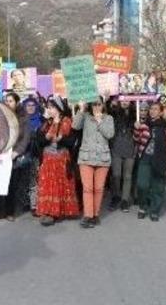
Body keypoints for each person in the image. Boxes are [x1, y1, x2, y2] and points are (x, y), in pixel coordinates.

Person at [35, 96, 79, 226]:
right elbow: (39, 142)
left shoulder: (68, 121)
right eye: (49, 107)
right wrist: (47, 137)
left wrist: (61, 140)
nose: (50, 110)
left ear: (59, 109)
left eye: (53, 107)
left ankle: (58, 212)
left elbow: (72, 142)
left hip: (61, 159)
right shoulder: (46, 123)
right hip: (48, 159)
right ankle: (48, 211)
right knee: (48, 185)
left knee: (60, 184)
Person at [73, 98, 115, 228]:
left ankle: (95, 215)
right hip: (86, 157)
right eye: (94, 105)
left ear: (103, 105)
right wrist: (81, 109)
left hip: (102, 159)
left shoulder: (108, 118)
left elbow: (110, 134)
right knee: (87, 188)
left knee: (98, 188)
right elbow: (75, 126)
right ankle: (88, 215)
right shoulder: (85, 116)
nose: (96, 107)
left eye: (99, 104)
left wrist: (100, 121)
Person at [134, 102, 166, 222]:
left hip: (160, 159)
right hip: (145, 158)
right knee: (142, 184)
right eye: (151, 109)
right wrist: (136, 129)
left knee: (158, 186)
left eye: (155, 109)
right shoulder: (144, 125)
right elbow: (136, 140)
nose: (152, 111)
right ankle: (143, 207)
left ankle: (154, 210)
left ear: (161, 112)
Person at [0, 92, 33, 220]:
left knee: (11, 184)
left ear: (16, 102)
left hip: (14, 156)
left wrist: (16, 152)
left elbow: (26, 138)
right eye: (6, 101)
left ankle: (10, 212)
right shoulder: (0, 116)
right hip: (1, 154)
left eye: (10, 101)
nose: (8, 103)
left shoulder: (23, 118)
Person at [109, 100, 136, 212]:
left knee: (127, 176)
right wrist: (107, 100)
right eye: (123, 99)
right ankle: (115, 196)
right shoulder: (114, 113)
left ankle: (125, 199)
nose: (125, 102)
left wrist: (137, 126)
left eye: (127, 99)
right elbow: (106, 112)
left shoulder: (136, 114)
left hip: (130, 148)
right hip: (116, 148)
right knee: (116, 174)